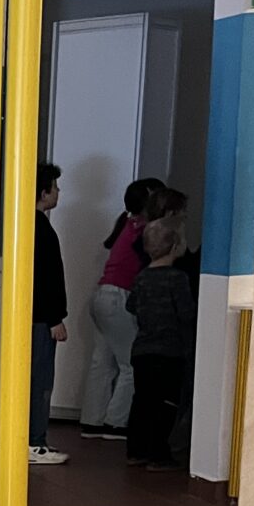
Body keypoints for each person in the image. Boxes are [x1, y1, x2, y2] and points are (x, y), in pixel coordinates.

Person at [79, 177, 160, 439]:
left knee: (101, 362)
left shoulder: (126, 222)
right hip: (119, 297)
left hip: (102, 295)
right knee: (130, 364)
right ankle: (116, 423)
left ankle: (91, 421)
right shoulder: (146, 229)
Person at [125, 216, 198, 471]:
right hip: (170, 352)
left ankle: (136, 450)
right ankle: (158, 453)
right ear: (176, 245)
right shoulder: (177, 278)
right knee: (166, 403)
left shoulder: (142, 277)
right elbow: (187, 312)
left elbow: (131, 305)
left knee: (142, 400)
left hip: (142, 349)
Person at [30, 161, 70, 465]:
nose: (58, 192)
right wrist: (55, 318)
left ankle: (30, 439)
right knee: (40, 381)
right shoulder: (41, 230)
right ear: (43, 192)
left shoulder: (28, 226)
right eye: (54, 187)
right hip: (42, 319)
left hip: (36, 317)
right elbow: (46, 279)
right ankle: (34, 441)